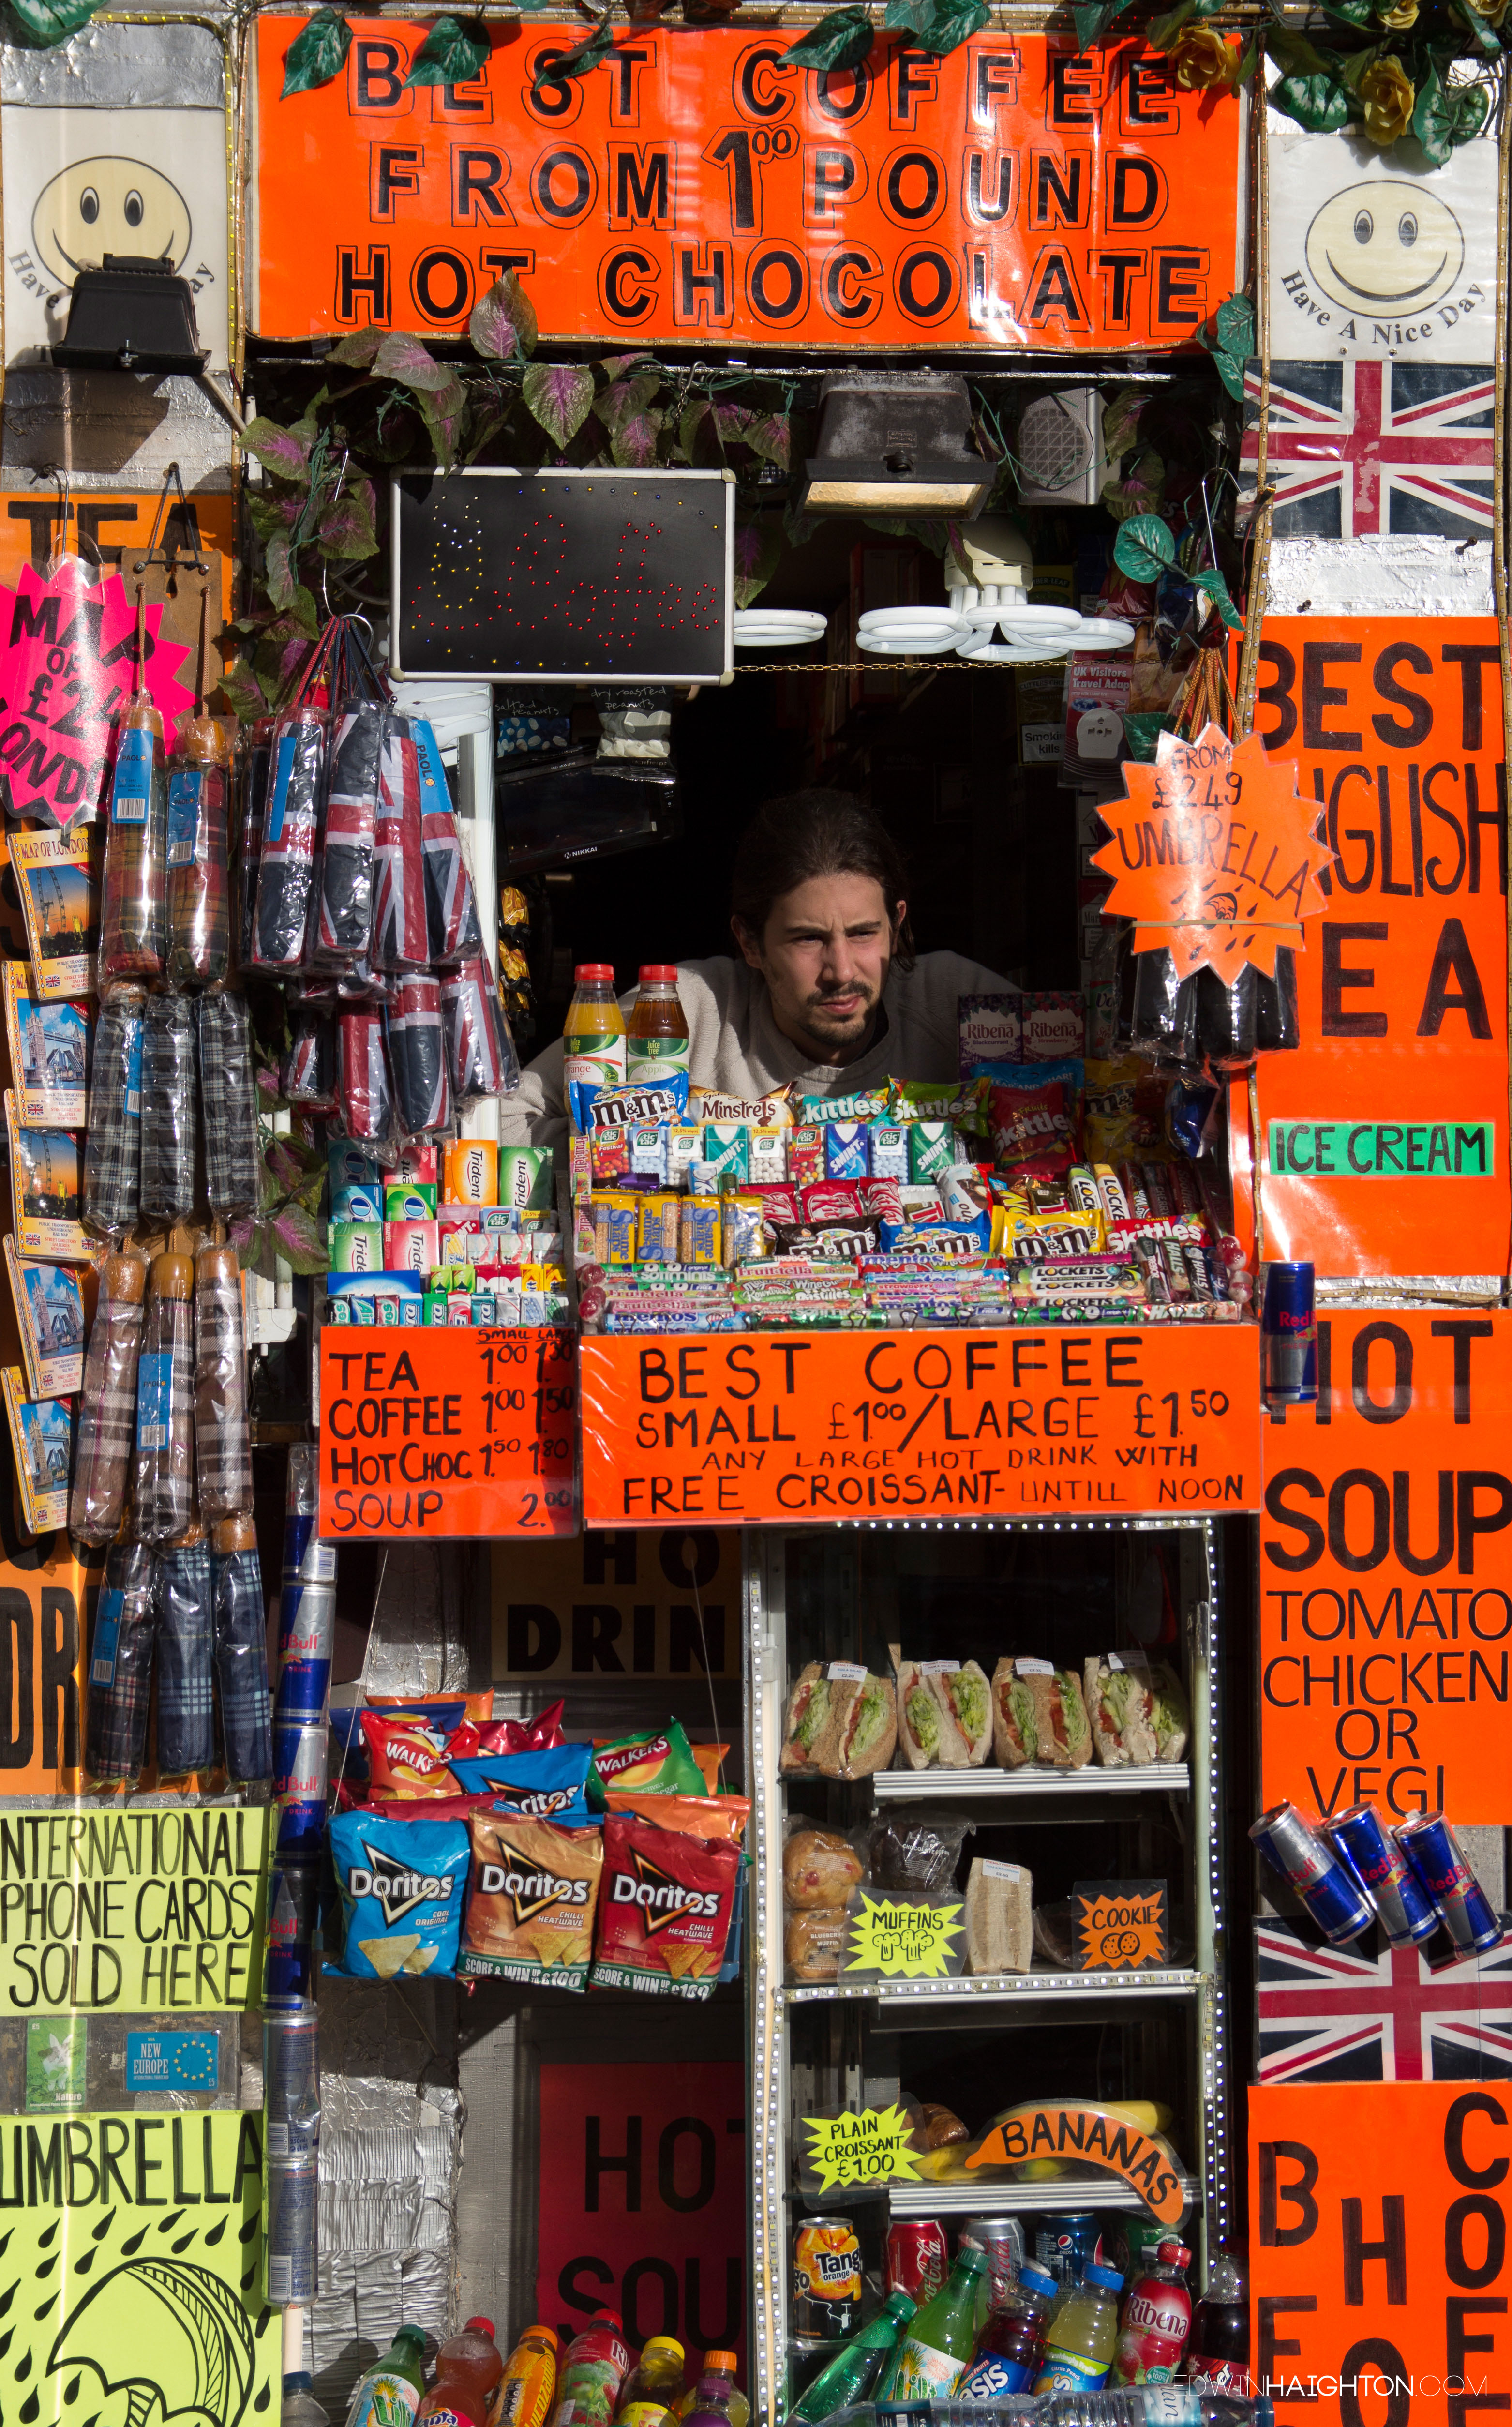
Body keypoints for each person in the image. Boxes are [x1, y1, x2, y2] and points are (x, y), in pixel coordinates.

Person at [499, 789, 1014, 1152]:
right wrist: (637, 1156)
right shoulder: (679, 1009)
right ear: (749, 942)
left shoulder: (960, 1003)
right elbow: (496, 1122)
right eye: (808, 938)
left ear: (897, 925)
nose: (840, 970)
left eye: (863, 934)